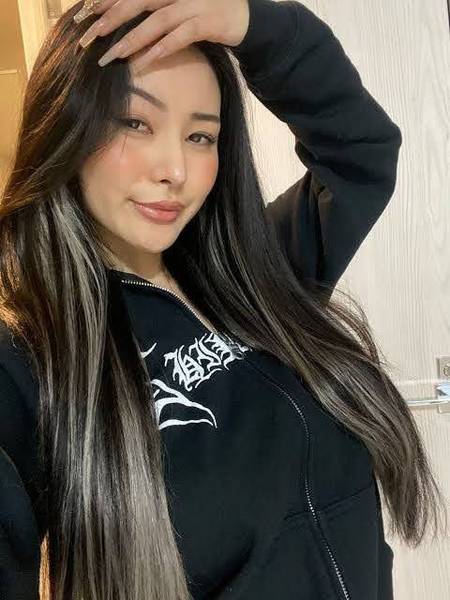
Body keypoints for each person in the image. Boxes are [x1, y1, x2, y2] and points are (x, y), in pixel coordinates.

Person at [0, 0, 446, 598]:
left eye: (200, 135)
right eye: (135, 122)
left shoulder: (259, 276)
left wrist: (252, 24)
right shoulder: (26, 358)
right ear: (66, 127)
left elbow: (361, 153)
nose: (175, 169)